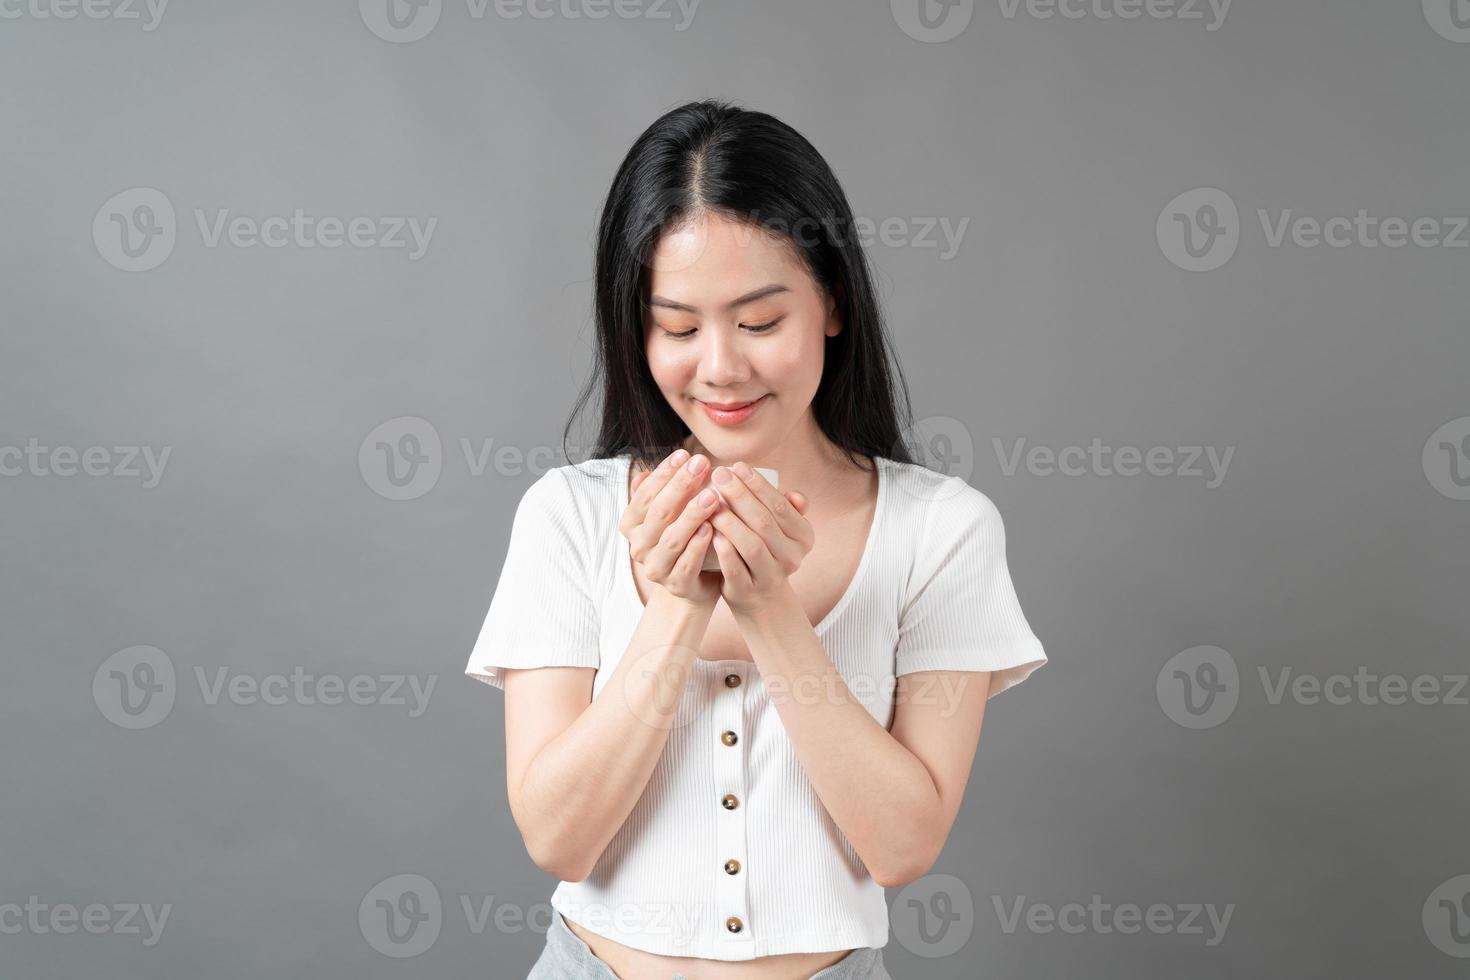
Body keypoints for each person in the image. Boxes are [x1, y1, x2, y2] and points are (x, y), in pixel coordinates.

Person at [465, 98, 1048, 980]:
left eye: (761, 322)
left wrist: (770, 608)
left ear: (835, 305)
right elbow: (557, 837)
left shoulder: (940, 530)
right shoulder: (569, 514)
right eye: (678, 327)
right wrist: (674, 607)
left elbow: (900, 846)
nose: (720, 367)